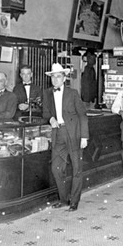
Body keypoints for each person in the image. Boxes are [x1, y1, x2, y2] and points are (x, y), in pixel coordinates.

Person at [41, 63, 89, 211]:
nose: (55, 80)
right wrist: (50, 119)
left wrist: (84, 137)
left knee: (76, 169)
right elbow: (46, 113)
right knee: (56, 168)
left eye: (58, 76)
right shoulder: (47, 93)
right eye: (53, 77)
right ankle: (63, 199)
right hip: (58, 134)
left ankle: (74, 201)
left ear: (64, 78)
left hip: (74, 134)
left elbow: (82, 115)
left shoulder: (73, 93)